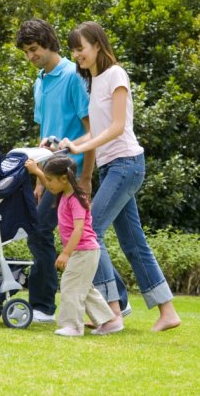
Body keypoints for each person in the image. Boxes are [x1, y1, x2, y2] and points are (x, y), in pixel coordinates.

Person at [59, 21, 181, 332]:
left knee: (90, 231)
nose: (76, 56)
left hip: (127, 163)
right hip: (112, 167)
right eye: (72, 51)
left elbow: (115, 128)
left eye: (80, 49)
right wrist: (70, 143)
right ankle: (167, 312)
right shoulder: (93, 82)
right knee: (133, 242)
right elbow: (95, 131)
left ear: (97, 45)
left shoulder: (116, 75)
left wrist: (84, 144)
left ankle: (111, 313)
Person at [16, 18, 131, 323]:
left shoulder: (73, 76)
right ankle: (117, 295)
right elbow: (44, 130)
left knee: (45, 231)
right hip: (51, 176)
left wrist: (85, 178)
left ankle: (42, 306)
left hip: (73, 174)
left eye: (34, 49)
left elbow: (91, 130)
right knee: (55, 233)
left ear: (49, 44)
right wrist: (40, 178)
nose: (30, 56)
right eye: (26, 52)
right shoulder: (39, 82)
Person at [25, 155, 123, 336]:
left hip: (84, 251)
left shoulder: (77, 199)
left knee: (70, 286)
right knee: (85, 289)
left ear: (63, 179)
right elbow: (50, 187)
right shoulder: (64, 193)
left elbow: (79, 230)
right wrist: (37, 172)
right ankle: (110, 321)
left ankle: (73, 326)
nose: (49, 184)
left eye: (50, 180)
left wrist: (65, 253)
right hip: (82, 251)